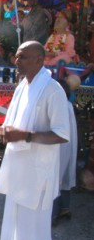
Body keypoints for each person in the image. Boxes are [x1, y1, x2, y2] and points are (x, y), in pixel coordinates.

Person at [0, 41, 70, 240]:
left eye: (22, 57)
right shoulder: (22, 86)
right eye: (17, 56)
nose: (16, 61)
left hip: (37, 176)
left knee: (33, 236)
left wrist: (26, 136)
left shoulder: (53, 90)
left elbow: (62, 135)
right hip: (18, 171)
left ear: (39, 60)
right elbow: (16, 126)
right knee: (13, 229)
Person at [52, 79, 78, 227]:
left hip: (59, 147)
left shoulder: (60, 107)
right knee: (65, 177)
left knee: (55, 178)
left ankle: (53, 215)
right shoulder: (68, 105)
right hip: (68, 146)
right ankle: (64, 208)